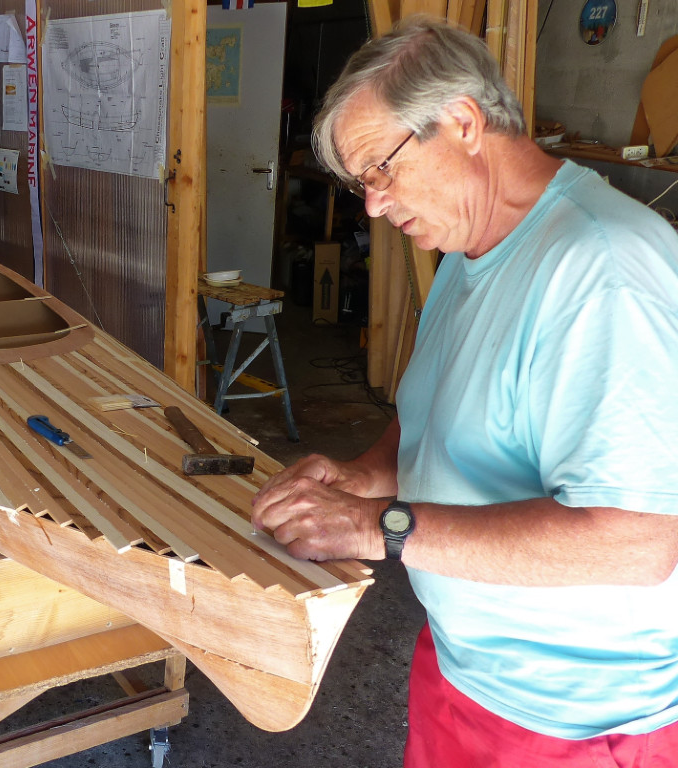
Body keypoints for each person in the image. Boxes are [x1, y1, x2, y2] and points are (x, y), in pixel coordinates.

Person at [251, 16, 678, 768]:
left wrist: (377, 527)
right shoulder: (467, 251)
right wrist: (365, 476)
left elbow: (637, 541)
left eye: (381, 169)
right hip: (466, 672)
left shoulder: (601, 268)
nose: (373, 207)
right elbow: (432, 418)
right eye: (362, 183)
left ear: (461, 122)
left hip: (575, 723)